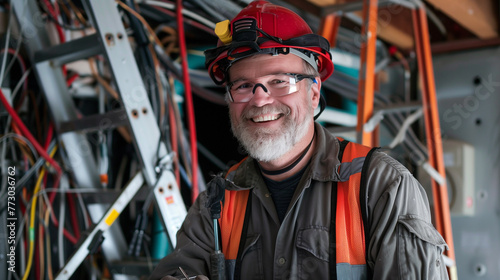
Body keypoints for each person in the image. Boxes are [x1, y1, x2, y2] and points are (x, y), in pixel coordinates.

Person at [150, 1, 449, 279]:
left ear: (314, 92)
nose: (260, 99)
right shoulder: (216, 203)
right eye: (243, 86)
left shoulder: (381, 187)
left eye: (280, 81)